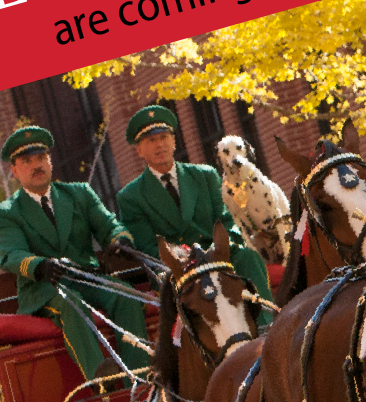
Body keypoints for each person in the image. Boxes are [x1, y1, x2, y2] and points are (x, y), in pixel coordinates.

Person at [0, 125, 150, 381]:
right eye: (27, 161)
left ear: (50, 161)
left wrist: (121, 240)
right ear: (14, 171)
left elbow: (109, 225)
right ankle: (103, 380)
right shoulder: (7, 212)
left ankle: (140, 374)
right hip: (44, 289)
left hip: (87, 278)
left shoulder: (79, 194)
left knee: (125, 294)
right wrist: (40, 265)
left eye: (41, 158)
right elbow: (11, 254)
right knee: (70, 304)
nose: (36, 165)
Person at [114, 105, 276, 317]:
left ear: (174, 141)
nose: (160, 144)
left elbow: (226, 221)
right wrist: (183, 260)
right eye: (151, 140)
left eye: (164, 137)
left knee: (247, 257)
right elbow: (148, 247)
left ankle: (268, 326)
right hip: (178, 268)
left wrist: (224, 246)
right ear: (139, 150)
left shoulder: (204, 175)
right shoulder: (131, 196)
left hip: (216, 254)